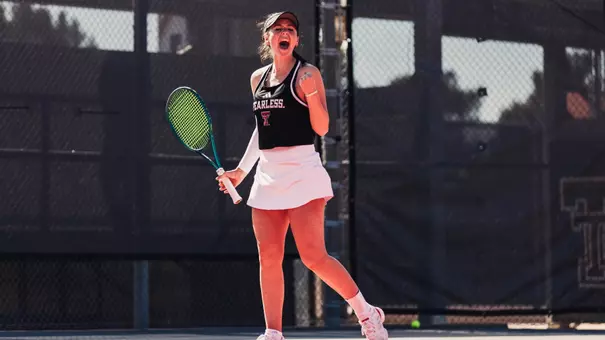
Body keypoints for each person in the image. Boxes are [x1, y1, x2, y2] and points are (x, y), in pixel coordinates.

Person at [216, 11, 389, 340]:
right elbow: (261, 130)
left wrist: (310, 94)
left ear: (296, 40)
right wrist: (241, 171)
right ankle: (273, 333)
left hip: (303, 172)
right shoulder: (257, 79)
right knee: (269, 257)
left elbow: (323, 128)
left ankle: (368, 314)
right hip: (267, 175)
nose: (284, 33)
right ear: (267, 38)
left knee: (313, 256)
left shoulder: (308, 73)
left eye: (290, 30)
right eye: (277, 29)